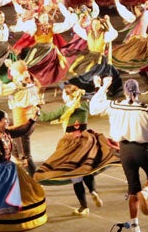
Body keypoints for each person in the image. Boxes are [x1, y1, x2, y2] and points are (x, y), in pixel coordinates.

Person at [90, 77, 148, 232]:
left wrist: (104, 87)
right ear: (138, 91)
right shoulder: (145, 108)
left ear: (125, 91)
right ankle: (146, 193)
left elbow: (93, 108)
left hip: (125, 151)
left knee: (132, 189)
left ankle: (135, 228)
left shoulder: (114, 105)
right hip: (142, 150)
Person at [35, 84, 119, 216]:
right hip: (86, 141)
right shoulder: (84, 105)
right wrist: (100, 88)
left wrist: (37, 109)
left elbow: (46, 117)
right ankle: (93, 191)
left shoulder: (65, 108)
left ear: (69, 95)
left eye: (64, 94)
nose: (62, 96)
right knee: (87, 167)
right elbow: (100, 103)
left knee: (75, 173)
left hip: (71, 144)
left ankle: (83, 207)